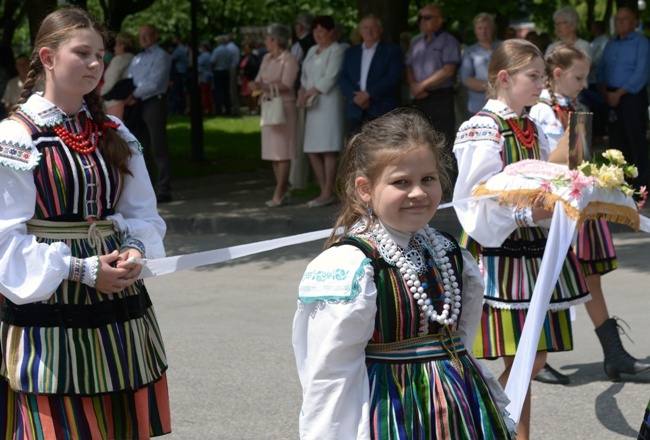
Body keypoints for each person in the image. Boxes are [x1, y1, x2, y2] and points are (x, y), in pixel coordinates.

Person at [292, 107, 515, 439]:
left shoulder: (449, 252)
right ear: (365, 188)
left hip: (459, 404)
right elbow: (330, 373)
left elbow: (461, 338)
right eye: (401, 182)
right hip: (393, 410)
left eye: (428, 179)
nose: (418, 193)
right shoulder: (352, 265)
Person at [0, 7, 170, 438]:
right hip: (50, 304)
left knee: (118, 423)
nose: (96, 64)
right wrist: (82, 270)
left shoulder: (112, 129)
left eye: (100, 54)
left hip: (117, 300)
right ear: (47, 57)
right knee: (59, 423)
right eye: (82, 53)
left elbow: (142, 213)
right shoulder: (16, 137)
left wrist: (136, 249)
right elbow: (4, 237)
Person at [453, 39, 590, 439]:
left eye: (542, 76)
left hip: (531, 249)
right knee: (526, 353)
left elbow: (546, 177)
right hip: (500, 251)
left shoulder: (529, 125)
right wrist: (528, 212)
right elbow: (475, 196)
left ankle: (510, 430)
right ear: (503, 78)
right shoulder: (482, 126)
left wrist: (574, 183)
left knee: (533, 352)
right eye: (533, 76)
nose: (540, 84)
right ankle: (484, 416)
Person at [530, 43, 650, 384]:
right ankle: (534, 356)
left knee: (588, 276)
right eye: (578, 76)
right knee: (549, 277)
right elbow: (549, 163)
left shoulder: (571, 108)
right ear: (558, 75)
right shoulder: (542, 112)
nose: (584, 83)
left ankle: (613, 355)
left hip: (575, 202)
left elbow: (578, 160)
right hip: (553, 206)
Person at [405, 4, 461, 182]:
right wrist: (414, 86)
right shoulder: (416, 42)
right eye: (420, 17)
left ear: (439, 20)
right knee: (421, 140)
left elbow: (448, 70)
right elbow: (409, 68)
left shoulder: (448, 41)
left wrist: (421, 85)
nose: (422, 21)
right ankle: (425, 180)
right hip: (420, 99)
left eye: (427, 17)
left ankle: (448, 186)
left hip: (441, 97)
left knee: (443, 141)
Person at [598, 7, 650, 189]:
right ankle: (618, 184)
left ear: (635, 22)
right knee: (615, 143)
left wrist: (618, 94)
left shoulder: (641, 43)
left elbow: (641, 73)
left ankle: (641, 186)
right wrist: (606, 93)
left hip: (631, 97)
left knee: (635, 140)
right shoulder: (611, 44)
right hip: (610, 96)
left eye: (624, 18)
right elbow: (601, 71)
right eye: (617, 19)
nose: (619, 22)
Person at [298, 15, 345, 208]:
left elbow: (331, 75)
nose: (317, 35)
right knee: (311, 148)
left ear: (330, 32)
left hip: (328, 103)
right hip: (312, 103)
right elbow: (304, 74)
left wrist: (310, 91)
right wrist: (302, 91)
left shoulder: (337, 50)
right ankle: (324, 188)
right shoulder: (311, 50)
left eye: (321, 31)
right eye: (315, 31)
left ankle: (328, 191)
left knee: (328, 148)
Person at [249, 24, 299, 208]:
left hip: (283, 107)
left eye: (268, 39)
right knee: (272, 152)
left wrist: (265, 86)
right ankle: (282, 190)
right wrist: (257, 85)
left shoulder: (289, 59)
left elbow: (287, 84)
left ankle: (279, 191)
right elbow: (260, 79)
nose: (265, 42)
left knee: (283, 151)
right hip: (269, 106)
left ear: (276, 40)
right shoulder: (267, 58)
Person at [127, 24, 173, 204]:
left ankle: (164, 188)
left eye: (147, 35)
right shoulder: (137, 57)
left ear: (156, 36)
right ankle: (147, 190)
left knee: (158, 145)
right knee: (140, 147)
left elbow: (154, 83)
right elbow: (131, 78)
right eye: (141, 36)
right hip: (137, 103)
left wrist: (133, 94)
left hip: (153, 101)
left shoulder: (161, 55)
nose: (144, 39)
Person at [338, 15, 403, 137]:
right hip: (356, 109)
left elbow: (393, 76)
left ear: (380, 29)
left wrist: (369, 94)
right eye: (365, 27)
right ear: (360, 31)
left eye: (373, 27)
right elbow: (343, 77)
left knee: (382, 147)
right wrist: (355, 97)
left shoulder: (392, 51)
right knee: (354, 148)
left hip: (381, 108)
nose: (369, 31)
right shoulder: (351, 52)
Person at [460, 12, 502, 117]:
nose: (483, 32)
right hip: (477, 107)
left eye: (487, 28)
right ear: (475, 30)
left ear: (493, 29)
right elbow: (467, 80)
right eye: (480, 28)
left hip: (503, 105)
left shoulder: (504, 47)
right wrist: (495, 86)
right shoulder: (470, 52)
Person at [101, 32, 136, 119]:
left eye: (116, 45)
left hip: (114, 102)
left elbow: (111, 81)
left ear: (122, 46)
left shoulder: (119, 60)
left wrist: (102, 94)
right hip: (129, 99)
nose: (114, 48)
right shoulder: (135, 59)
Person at [210, 35, 233, 116]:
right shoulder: (228, 51)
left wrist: (213, 69)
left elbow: (212, 61)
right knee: (226, 91)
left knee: (218, 91)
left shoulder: (217, 50)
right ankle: (228, 109)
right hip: (226, 71)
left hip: (218, 71)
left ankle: (218, 109)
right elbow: (231, 61)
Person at [169, 35, 190, 115]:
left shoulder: (179, 50)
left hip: (178, 73)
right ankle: (181, 109)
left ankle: (174, 110)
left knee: (175, 92)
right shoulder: (182, 49)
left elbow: (171, 59)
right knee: (180, 93)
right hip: (182, 72)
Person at [239, 41, 260, 115]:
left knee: (251, 94)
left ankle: (254, 108)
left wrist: (245, 72)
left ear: (251, 49)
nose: (245, 50)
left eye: (247, 48)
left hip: (250, 77)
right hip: (244, 79)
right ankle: (249, 108)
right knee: (245, 94)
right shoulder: (243, 57)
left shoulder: (254, 58)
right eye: (245, 48)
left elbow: (254, 67)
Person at [197, 40, 214, 115]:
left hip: (203, 76)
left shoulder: (203, 56)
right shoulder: (210, 55)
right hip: (209, 75)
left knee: (204, 93)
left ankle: (204, 109)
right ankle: (210, 109)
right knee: (209, 94)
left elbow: (198, 65)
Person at [226, 34, 241, 116]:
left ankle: (232, 107)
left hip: (230, 69)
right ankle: (236, 107)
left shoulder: (228, 48)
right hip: (235, 68)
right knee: (234, 89)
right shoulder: (236, 47)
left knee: (231, 89)